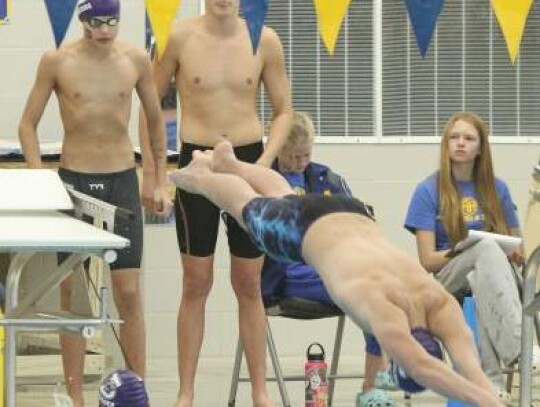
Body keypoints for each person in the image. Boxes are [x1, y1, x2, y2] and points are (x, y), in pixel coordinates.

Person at [168, 140, 507, 407]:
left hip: (352, 211)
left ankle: (230, 164)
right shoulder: (383, 311)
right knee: (245, 207)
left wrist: (490, 400)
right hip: (305, 232)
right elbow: (421, 367)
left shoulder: (438, 301)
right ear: (395, 362)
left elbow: (471, 369)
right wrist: (485, 400)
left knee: (285, 195)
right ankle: (202, 175)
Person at [18, 0, 172, 405]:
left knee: (129, 292)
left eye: (112, 21)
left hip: (121, 178)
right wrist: (39, 178)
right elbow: (27, 124)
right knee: (74, 294)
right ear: (83, 21)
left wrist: (160, 179)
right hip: (75, 183)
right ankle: (76, 396)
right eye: (97, 22)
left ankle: (138, 391)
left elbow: (155, 119)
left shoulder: (135, 58)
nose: (105, 31)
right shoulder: (57, 60)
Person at [139, 1, 292, 406]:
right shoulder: (179, 36)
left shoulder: (265, 39)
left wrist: (259, 164)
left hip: (247, 158)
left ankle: (259, 391)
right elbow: (150, 107)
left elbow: (283, 112)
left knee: (248, 283)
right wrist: (152, 174)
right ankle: (186, 392)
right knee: (195, 283)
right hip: (196, 162)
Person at [264, 112, 396, 407]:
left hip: (330, 267)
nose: (301, 162)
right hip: (288, 275)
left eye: (306, 154)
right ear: (278, 150)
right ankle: (376, 379)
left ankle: (373, 382)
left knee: (375, 287)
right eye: (293, 156)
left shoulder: (327, 178)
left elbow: (361, 218)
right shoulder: (265, 178)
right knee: (366, 291)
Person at [404, 112, 537, 402]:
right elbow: (427, 261)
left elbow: (518, 249)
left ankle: (490, 381)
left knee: (482, 275)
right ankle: (522, 350)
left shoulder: (497, 189)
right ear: (445, 144)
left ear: (480, 148)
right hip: (447, 275)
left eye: (468, 138)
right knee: (484, 249)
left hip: (491, 277)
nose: (460, 143)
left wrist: (514, 253)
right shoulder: (427, 190)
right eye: (454, 137)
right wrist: (466, 248)